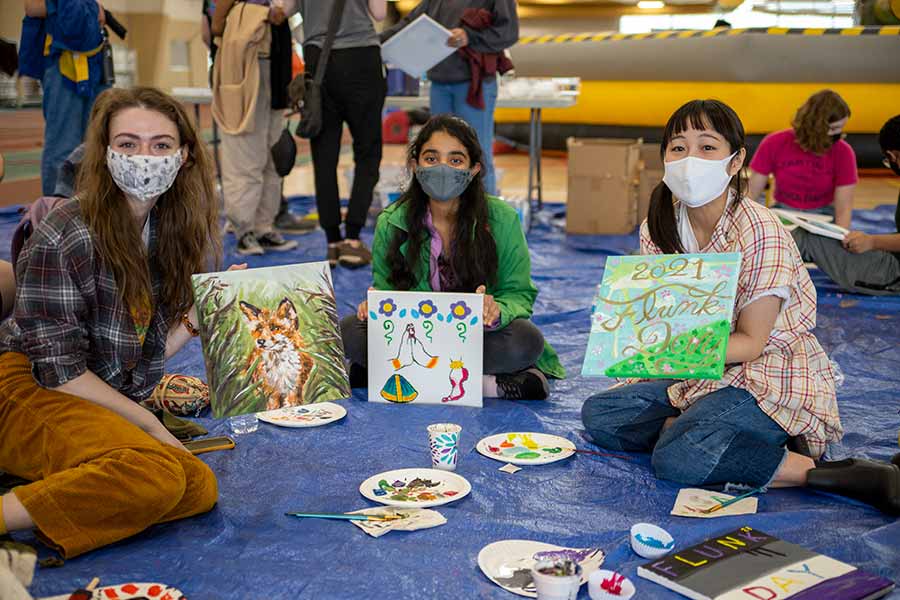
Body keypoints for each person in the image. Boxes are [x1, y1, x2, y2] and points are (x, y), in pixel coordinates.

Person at [581, 100, 899, 515]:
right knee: (601, 414)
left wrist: (653, 348)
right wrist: (626, 334)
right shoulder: (658, 226)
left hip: (764, 368)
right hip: (693, 366)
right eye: (678, 148)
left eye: (707, 147)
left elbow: (750, 344)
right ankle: (710, 431)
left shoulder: (761, 230)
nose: (689, 159)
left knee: (677, 458)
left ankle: (819, 469)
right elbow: (662, 316)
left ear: (735, 162)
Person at [0, 87, 226, 556]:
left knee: (198, 486)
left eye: (161, 145)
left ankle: (66, 480)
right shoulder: (64, 231)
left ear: (183, 156)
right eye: (128, 144)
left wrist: (196, 318)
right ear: (105, 153)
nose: (145, 157)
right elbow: (59, 373)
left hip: (91, 387)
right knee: (156, 473)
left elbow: (136, 358)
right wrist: (151, 425)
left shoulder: (166, 230)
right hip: (27, 386)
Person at [341, 115, 565, 400]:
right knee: (348, 331)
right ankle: (490, 386)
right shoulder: (392, 221)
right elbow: (386, 289)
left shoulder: (502, 219)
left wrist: (496, 312)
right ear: (415, 166)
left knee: (525, 340)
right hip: (416, 336)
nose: (443, 168)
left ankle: (385, 375)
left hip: (475, 338)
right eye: (431, 159)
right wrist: (375, 306)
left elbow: (518, 293)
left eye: (456, 160)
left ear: (474, 170)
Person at [380, 0, 519, 197]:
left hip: (473, 86)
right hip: (440, 84)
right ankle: (445, 218)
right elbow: (409, 24)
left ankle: (483, 221)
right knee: (440, 156)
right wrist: (373, 41)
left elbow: (509, 32)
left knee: (477, 155)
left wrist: (470, 37)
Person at [299, 0, 387, 268]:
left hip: (319, 59)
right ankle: (353, 238)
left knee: (324, 157)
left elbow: (284, 8)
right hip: (361, 57)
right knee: (367, 152)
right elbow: (379, 12)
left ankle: (333, 240)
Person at [211, 0, 298, 255]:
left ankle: (263, 226)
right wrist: (259, 14)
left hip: (276, 61)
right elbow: (216, 26)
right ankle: (243, 229)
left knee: (272, 155)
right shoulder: (239, 11)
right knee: (245, 155)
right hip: (247, 62)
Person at [792, 115, 900, 295]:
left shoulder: (843, 153)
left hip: (893, 274)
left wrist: (873, 242)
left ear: (893, 155)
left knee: (806, 239)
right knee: (809, 235)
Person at [20, 0, 109, 196]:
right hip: (63, 65)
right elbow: (32, 7)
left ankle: (89, 207)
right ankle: (56, 210)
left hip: (94, 64)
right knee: (63, 146)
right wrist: (90, 8)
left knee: (94, 144)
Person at [748, 89, 857, 229]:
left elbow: (844, 208)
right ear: (816, 126)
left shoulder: (844, 152)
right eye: (834, 128)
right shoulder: (774, 142)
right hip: (784, 212)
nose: (838, 133)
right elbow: (752, 192)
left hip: (823, 214)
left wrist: (841, 238)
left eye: (841, 128)